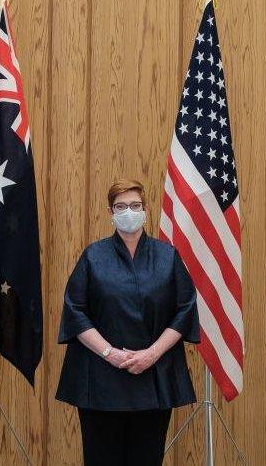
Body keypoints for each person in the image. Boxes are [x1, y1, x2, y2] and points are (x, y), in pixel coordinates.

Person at [55, 178, 199, 466]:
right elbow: (75, 310)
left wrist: (151, 354)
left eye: (135, 205)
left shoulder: (167, 256)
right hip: (100, 379)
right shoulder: (93, 256)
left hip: (153, 375)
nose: (128, 212)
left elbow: (184, 310)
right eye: (121, 207)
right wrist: (111, 353)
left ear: (145, 210)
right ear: (110, 213)